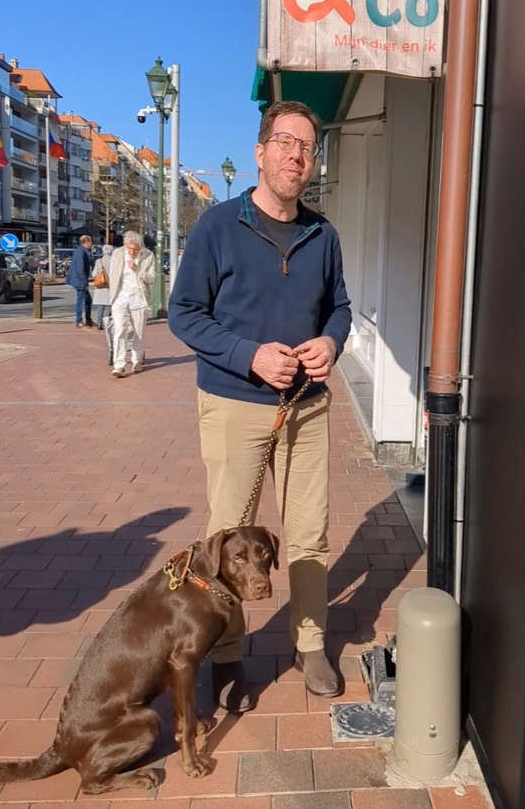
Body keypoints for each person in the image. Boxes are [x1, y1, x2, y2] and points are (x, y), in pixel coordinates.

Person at [169, 101, 352, 714]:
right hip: (234, 402)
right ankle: (224, 652)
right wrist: (248, 356)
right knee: (227, 536)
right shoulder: (218, 226)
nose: (296, 155)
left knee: (309, 533)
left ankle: (310, 643)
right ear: (260, 151)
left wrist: (331, 341)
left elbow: (340, 307)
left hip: (307, 406)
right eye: (285, 142)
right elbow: (183, 314)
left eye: (306, 147)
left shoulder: (323, 235)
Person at [108, 231, 155, 378]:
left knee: (138, 331)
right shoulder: (117, 254)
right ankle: (119, 364)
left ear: (140, 247)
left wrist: (137, 269)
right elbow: (113, 275)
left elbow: (151, 279)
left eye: (135, 249)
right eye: (129, 248)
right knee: (120, 330)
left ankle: (136, 360)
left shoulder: (148, 256)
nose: (132, 252)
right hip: (120, 297)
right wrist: (112, 296)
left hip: (139, 298)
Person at [66, 235, 93, 329]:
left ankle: (88, 320)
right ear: (86, 242)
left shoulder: (81, 251)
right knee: (81, 301)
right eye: (90, 242)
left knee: (87, 300)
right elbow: (80, 269)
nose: (91, 244)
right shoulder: (81, 252)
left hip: (80, 280)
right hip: (80, 281)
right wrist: (84, 282)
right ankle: (79, 321)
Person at [92, 244, 113, 329]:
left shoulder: (98, 261)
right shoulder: (114, 261)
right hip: (110, 286)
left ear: (103, 252)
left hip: (100, 286)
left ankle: (99, 323)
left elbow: (94, 274)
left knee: (100, 306)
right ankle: (106, 323)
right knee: (108, 305)